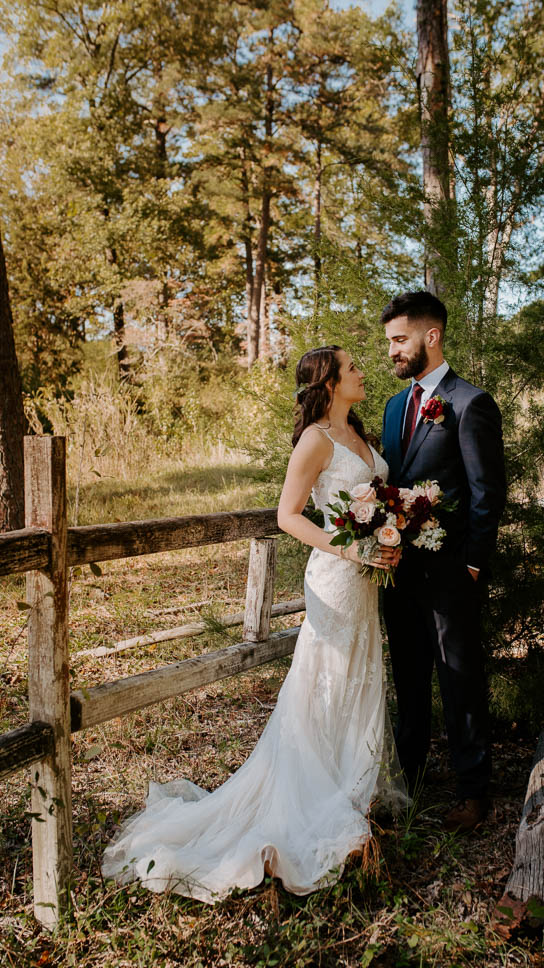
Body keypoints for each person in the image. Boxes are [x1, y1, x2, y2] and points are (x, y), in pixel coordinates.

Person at [102, 345, 405, 903]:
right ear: (330, 382)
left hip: (366, 583)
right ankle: (319, 798)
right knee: (327, 682)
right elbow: (287, 515)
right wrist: (351, 550)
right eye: (352, 367)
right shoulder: (316, 439)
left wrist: (387, 534)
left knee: (360, 677)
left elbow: (375, 499)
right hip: (338, 577)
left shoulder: (361, 434)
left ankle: (352, 790)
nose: (363, 371)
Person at [381, 291, 506, 832]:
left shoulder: (469, 403)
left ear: (431, 336)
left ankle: (473, 790)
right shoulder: (393, 406)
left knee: (460, 679)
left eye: (399, 339)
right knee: (407, 675)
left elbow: (487, 491)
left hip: (450, 571)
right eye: (389, 341)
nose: (392, 351)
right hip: (395, 570)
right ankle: (407, 777)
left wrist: (473, 564)